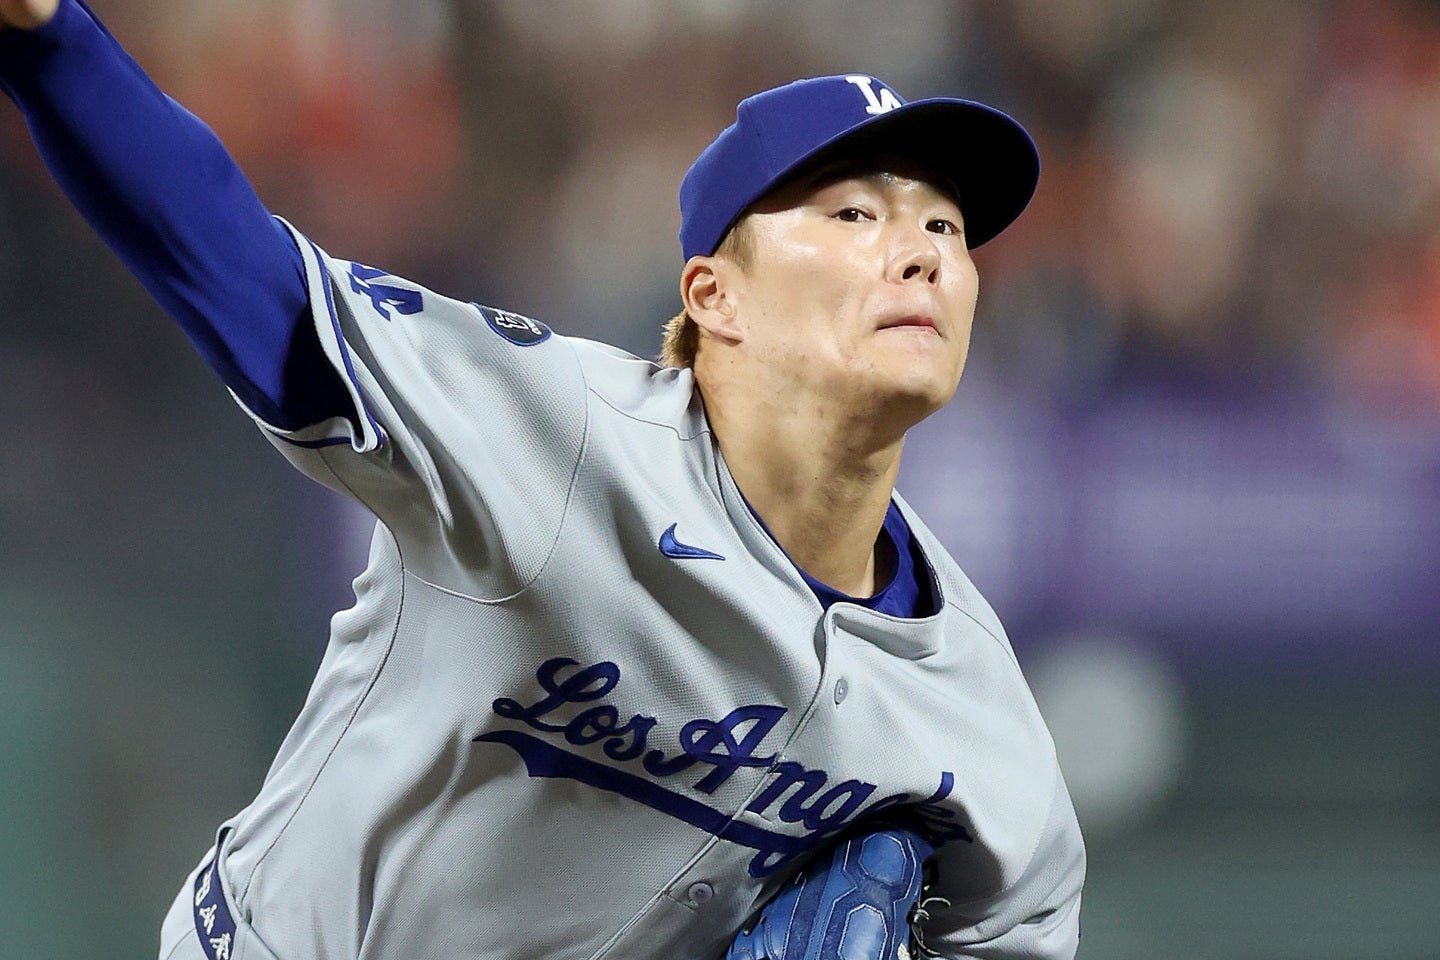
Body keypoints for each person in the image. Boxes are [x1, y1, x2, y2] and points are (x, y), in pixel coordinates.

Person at [0, 1, 1086, 958]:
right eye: (855, 215)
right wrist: (55, 44)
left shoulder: (979, 722)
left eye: (945, 224)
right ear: (717, 297)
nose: (924, 252)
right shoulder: (557, 436)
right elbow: (253, 278)